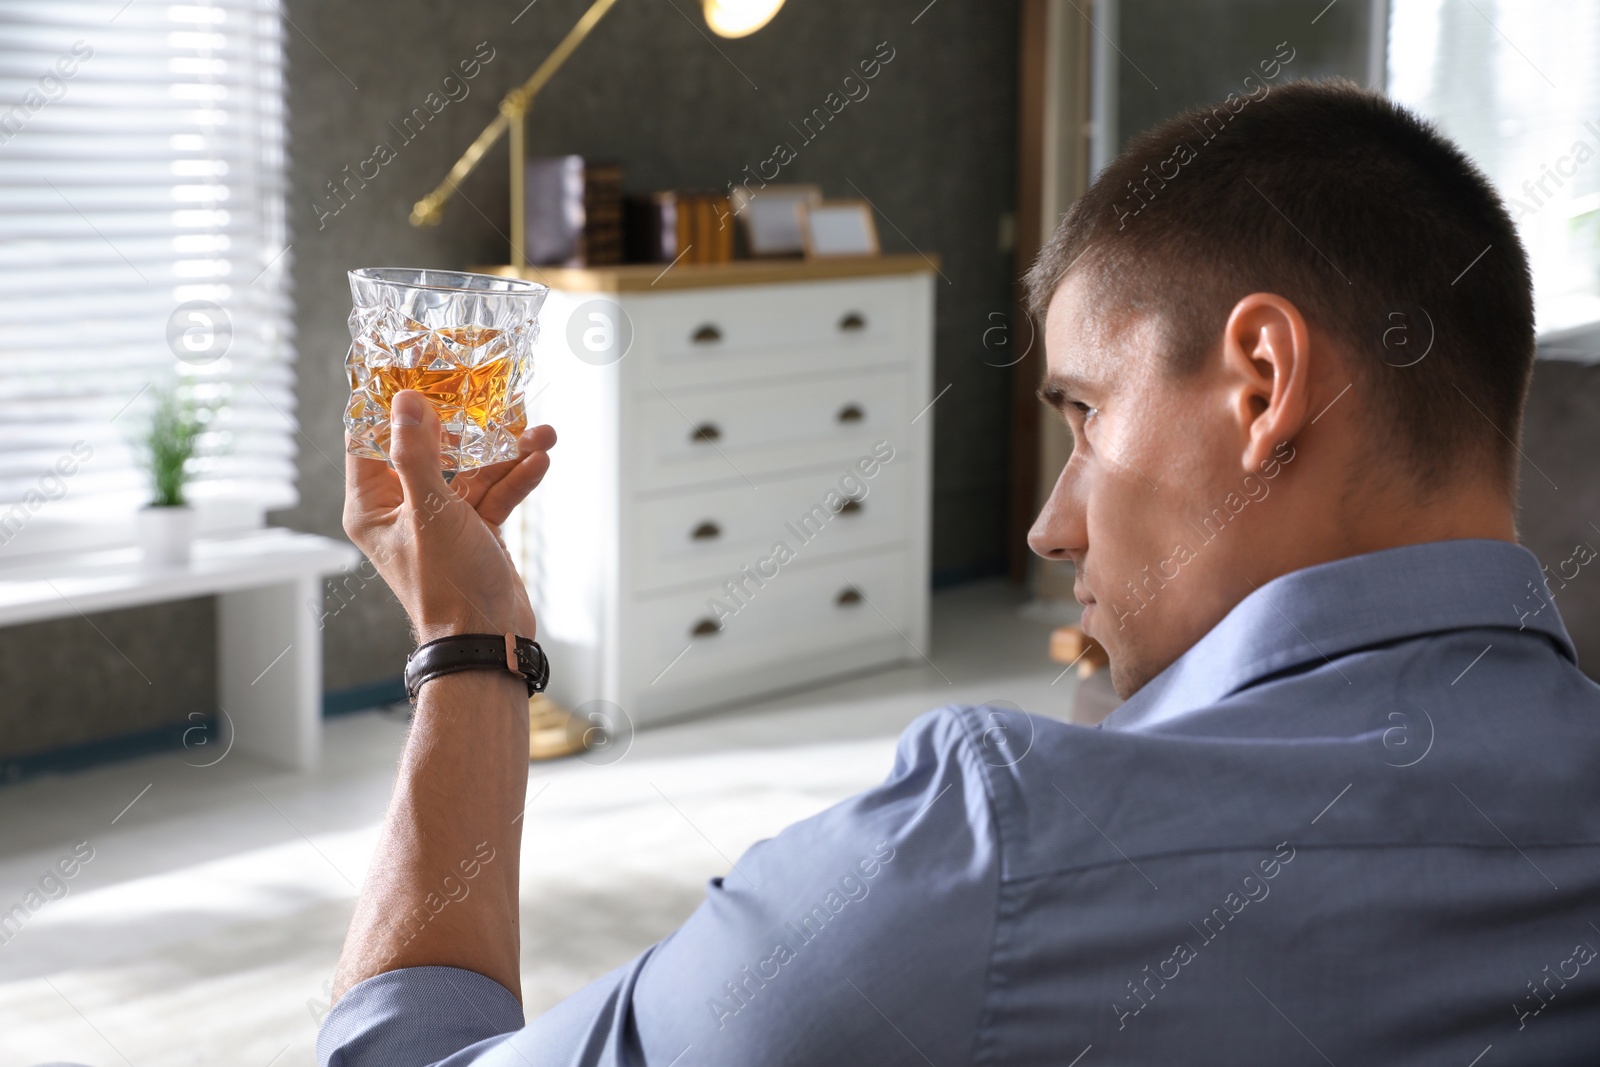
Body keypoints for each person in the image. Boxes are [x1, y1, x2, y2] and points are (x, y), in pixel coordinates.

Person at [320, 79, 1600, 1065]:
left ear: (1261, 382)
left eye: (1086, 413)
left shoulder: (985, 856)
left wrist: (471, 645)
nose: (1050, 522)